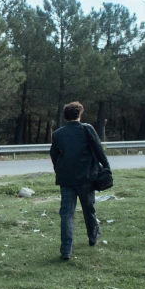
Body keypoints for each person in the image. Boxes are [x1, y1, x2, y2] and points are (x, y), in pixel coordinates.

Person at [49, 101, 111, 260]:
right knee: (88, 210)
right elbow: (99, 150)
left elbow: (54, 156)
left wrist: (59, 171)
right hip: (87, 178)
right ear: (79, 114)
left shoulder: (58, 134)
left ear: (65, 116)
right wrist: (107, 168)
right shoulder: (87, 129)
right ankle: (92, 237)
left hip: (66, 180)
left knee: (67, 214)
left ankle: (66, 250)